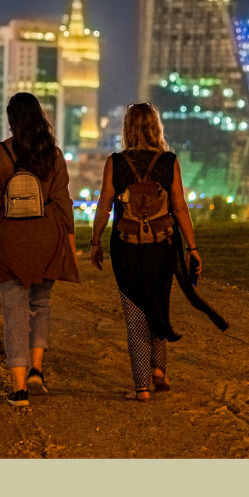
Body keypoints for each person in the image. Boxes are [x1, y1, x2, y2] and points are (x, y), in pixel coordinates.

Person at [0, 92, 78, 407]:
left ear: (10, 119)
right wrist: (70, 246)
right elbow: (63, 203)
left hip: (11, 239)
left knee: (14, 313)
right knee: (41, 304)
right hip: (48, 236)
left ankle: (19, 390)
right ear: (39, 117)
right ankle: (37, 368)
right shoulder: (54, 155)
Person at [88, 103, 202, 403]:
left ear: (127, 127)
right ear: (156, 126)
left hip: (127, 246)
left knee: (135, 310)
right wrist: (192, 247)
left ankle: (141, 386)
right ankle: (159, 369)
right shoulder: (169, 162)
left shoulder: (115, 162)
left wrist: (95, 241)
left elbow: (103, 206)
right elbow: (179, 208)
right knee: (157, 302)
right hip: (163, 246)